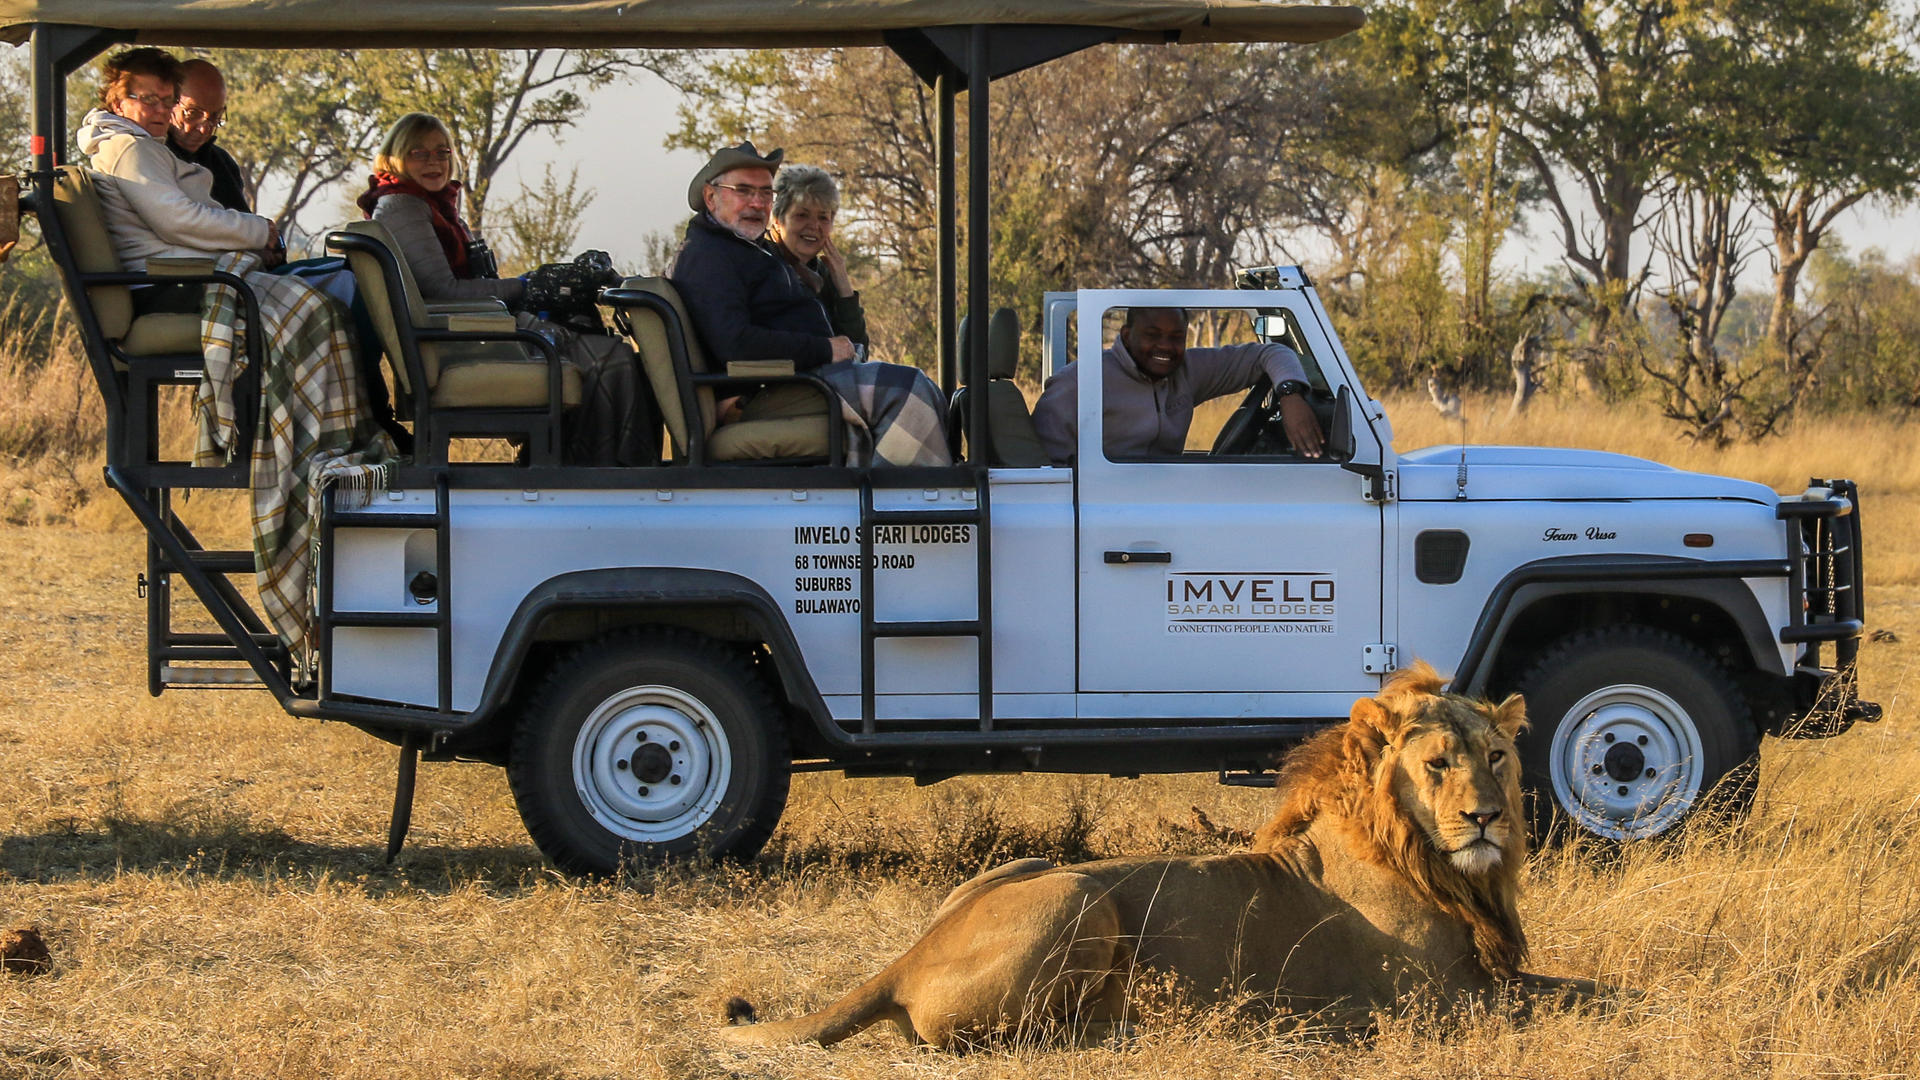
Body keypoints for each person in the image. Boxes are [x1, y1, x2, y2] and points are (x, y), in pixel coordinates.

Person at [358, 112, 652, 467]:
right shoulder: (405, 208)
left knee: (604, 346)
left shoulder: (430, 206)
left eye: (442, 152)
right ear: (394, 158)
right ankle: (605, 472)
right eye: (419, 153)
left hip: (471, 332)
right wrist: (525, 286)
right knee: (612, 357)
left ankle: (584, 465)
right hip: (466, 340)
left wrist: (534, 283)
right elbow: (443, 291)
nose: (433, 161)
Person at [668, 141, 948, 466]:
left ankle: (910, 485)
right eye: (743, 191)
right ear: (711, 197)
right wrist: (825, 349)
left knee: (924, 385)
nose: (757, 203)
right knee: (907, 389)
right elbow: (735, 343)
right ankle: (911, 495)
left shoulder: (746, 249)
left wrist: (839, 298)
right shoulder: (708, 256)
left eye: (765, 193)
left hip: (796, 380)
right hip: (768, 389)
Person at [77, 47, 280, 314]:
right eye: (149, 100)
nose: (161, 110)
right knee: (309, 303)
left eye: (167, 101)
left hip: (181, 275)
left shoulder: (153, 148)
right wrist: (260, 231)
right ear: (118, 103)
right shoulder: (132, 149)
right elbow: (177, 221)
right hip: (167, 283)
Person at [1031, 306, 1326, 465]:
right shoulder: (1079, 381)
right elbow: (1044, 469)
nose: (1165, 346)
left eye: (1176, 337)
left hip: (1167, 495)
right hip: (1104, 507)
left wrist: (1290, 394)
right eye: (1152, 335)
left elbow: (1270, 353)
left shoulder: (1187, 369)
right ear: (1127, 335)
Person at [767, 164, 866, 348]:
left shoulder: (822, 273)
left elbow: (859, 350)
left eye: (823, 217)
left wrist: (844, 288)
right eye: (802, 215)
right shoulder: (764, 265)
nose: (814, 226)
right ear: (778, 220)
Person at [167, 58, 248, 213]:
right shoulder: (153, 156)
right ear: (169, 102)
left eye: (215, 117)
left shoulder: (222, 163)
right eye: (192, 113)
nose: (204, 129)